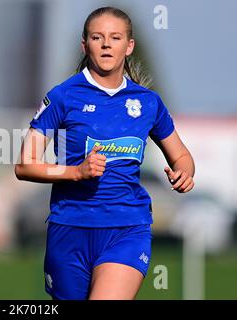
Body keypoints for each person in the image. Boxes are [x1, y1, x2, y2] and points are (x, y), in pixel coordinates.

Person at [14, 6, 195, 300]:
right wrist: (76, 172)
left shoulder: (148, 102)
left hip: (127, 228)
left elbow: (182, 157)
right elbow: (25, 166)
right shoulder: (63, 97)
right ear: (85, 45)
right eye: (98, 37)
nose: (107, 44)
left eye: (115, 37)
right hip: (70, 229)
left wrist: (185, 173)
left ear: (129, 46)